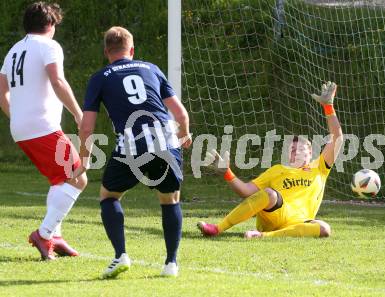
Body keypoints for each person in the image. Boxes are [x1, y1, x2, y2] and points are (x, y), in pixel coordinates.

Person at [74, 26, 191, 279]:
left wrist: (84, 159)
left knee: (109, 196)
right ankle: (171, 263)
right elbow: (180, 113)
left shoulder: (101, 77)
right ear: (132, 50)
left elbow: (86, 126)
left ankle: (121, 255)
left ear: (107, 52)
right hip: (165, 141)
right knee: (170, 199)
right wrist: (185, 134)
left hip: (132, 145)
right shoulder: (151, 68)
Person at [197, 82, 342, 239]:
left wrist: (328, 107)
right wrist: (227, 173)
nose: (295, 152)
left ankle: (264, 236)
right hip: (275, 215)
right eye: (291, 149)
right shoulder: (276, 170)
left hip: (302, 222)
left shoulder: (319, 168)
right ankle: (216, 229)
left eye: (300, 148)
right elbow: (245, 191)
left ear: (310, 152)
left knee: (324, 228)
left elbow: (337, 138)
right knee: (269, 194)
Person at [0, 2, 87, 260]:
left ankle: (56, 236)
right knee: (78, 177)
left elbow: (1, 92)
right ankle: (45, 233)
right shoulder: (49, 46)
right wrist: (78, 113)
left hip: (22, 127)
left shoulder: (14, 51)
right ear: (50, 25)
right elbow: (57, 79)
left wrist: (16, 117)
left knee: (59, 179)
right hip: (42, 126)